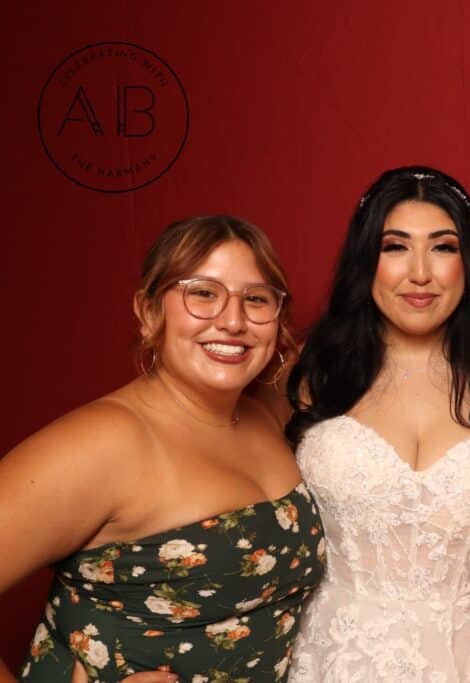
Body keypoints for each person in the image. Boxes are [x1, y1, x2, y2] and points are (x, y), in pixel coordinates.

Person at [1, 216, 324, 682]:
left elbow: (350, 339)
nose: (233, 321)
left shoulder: (261, 416)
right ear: (150, 310)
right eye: (203, 293)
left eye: (256, 300)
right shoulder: (102, 443)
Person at [284, 166, 470, 682]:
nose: (419, 273)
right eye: (395, 247)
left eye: (442, 248)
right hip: (340, 660)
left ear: (468, 263)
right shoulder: (312, 375)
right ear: (366, 262)